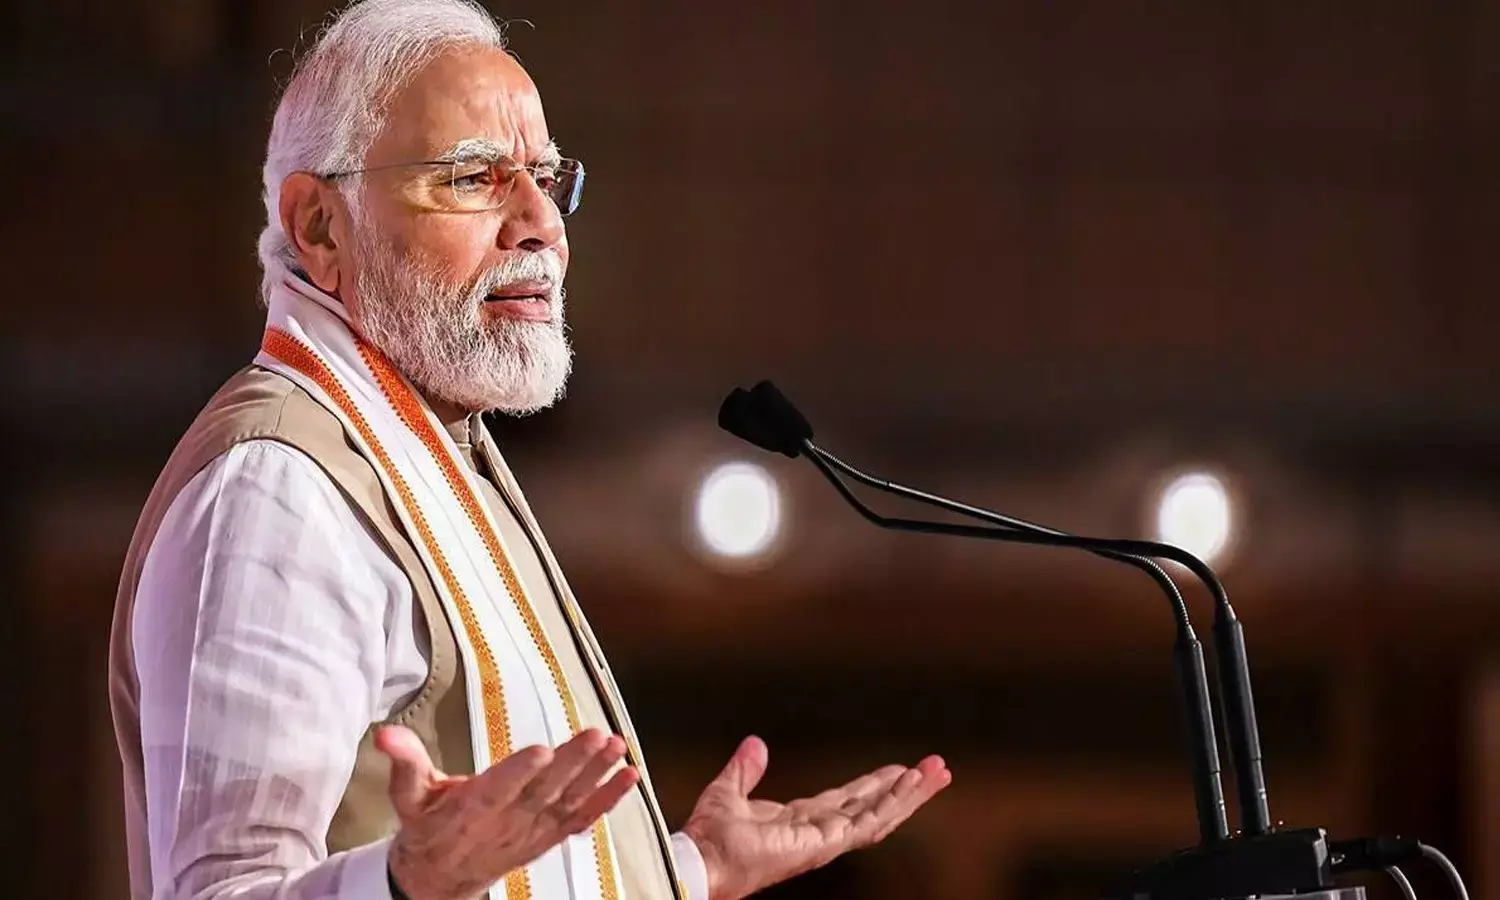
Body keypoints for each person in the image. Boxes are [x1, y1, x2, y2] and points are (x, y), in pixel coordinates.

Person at [107, 1, 951, 898]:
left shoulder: (432, 448)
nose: (541, 222)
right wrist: (404, 883)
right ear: (319, 226)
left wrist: (679, 870)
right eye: (475, 178)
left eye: (547, 179)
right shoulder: (278, 487)